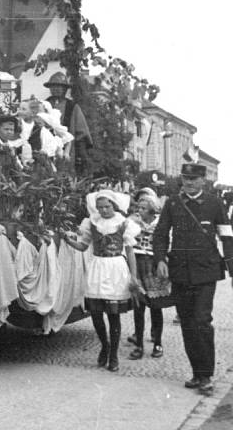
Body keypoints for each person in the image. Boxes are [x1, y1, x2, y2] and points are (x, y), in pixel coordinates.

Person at [152, 163, 233, 395]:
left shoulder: (214, 203)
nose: (188, 183)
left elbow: (227, 237)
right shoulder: (173, 203)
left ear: (203, 181)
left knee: (202, 321)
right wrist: (160, 260)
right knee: (187, 323)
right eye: (185, 178)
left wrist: (232, 268)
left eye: (193, 179)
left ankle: (206, 375)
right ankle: (197, 373)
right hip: (180, 271)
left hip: (206, 271)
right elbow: (160, 233)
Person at [62, 189, 140, 372]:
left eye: (107, 206)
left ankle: (113, 354)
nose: (103, 210)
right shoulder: (92, 223)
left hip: (116, 268)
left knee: (113, 314)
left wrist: (134, 276)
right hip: (97, 267)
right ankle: (104, 346)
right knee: (96, 312)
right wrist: (68, 240)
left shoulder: (124, 223)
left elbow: (130, 251)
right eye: (100, 207)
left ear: (114, 205)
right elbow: (83, 246)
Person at [127, 189, 169, 360]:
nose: (139, 211)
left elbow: (166, 245)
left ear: (152, 210)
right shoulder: (133, 224)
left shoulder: (160, 224)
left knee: (156, 307)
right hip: (138, 264)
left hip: (152, 266)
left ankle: (157, 342)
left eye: (143, 208)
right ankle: (138, 345)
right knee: (138, 307)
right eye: (138, 208)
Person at [44, 71, 93, 176]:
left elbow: (82, 132)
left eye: (59, 87)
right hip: (46, 148)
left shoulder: (72, 107)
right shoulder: (44, 105)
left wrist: (81, 155)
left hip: (67, 150)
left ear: (65, 89)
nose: (56, 89)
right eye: (53, 86)